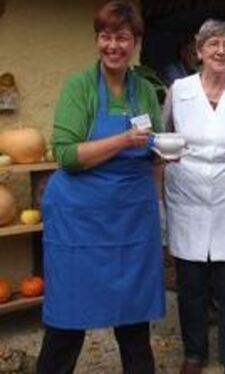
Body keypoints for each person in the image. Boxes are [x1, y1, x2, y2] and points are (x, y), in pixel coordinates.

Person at [36, 1, 164, 373]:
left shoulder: (143, 90)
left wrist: (163, 156)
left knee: (135, 324)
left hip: (131, 222)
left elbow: (152, 144)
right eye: (105, 37)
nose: (113, 46)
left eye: (122, 37)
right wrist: (123, 141)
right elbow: (67, 156)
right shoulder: (79, 87)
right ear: (97, 41)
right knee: (67, 323)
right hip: (81, 223)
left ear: (135, 42)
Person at [161, 20, 225, 374]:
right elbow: (164, 134)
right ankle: (194, 353)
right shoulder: (179, 90)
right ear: (198, 51)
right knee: (191, 285)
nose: (220, 50)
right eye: (212, 44)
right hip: (187, 197)